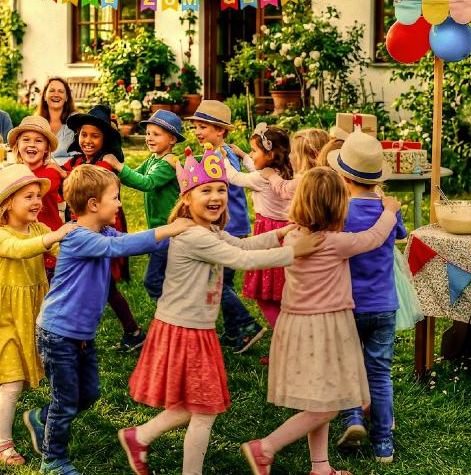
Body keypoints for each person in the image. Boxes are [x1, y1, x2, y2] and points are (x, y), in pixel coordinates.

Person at [117, 144, 322, 475]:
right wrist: (293, 252)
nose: (215, 197)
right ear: (186, 199)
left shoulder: (209, 230)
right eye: (205, 191)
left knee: (192, 406)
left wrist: (280, 234)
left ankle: (139, 436)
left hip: (195, 328)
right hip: (184, 330)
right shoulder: (194, 236)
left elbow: (240, 245)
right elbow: (242, 260)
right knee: (205, 409)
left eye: (221, 190)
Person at [22, 165, 194, 475]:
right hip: (57, 332)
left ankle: (40, 418)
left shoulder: (104, 231)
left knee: (88, 394)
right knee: (65, 401)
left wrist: (186, 235)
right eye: (115, 198)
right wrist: (168, 230)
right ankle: (53, 459)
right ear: (93, 205)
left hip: (82, 333)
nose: (119, 204)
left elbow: (130, 240)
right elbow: (118, 247)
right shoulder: (77, 236)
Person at [240, 167, 403, 475]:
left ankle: (321, 467)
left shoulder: (295, 236)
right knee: (328, 406)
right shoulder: (335, 242)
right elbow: (374, 238)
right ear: (337, 206)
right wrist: (390, 211)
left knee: (319, 399)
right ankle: (266, 448)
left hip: (295, 326)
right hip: (324, 329)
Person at [0, 163, 74, 465]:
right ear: (6, 205)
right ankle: (2, 443)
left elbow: (60, 251)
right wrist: (53, 237)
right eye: (28, 196)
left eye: (37, 196)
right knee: (13, 380)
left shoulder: (39, 229)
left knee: (15, 379)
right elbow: (22, 249)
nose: (36, 202)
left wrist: (76, 241)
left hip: (32, 310)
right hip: (3, 313)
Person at [327, 131, 408, 463]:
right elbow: (400, 234)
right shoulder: (389, 211)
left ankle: (353, 418)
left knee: (348, 366)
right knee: (379, 371)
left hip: (348, 304)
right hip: (384, 305)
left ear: (344, 176)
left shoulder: (339, 211)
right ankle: (383, 442)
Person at [183, 100, 266, 354]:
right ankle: (234, 332)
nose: (198, 132)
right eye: (196, 127)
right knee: (221, 278)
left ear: (220, 131)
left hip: (229, 226)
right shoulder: (220, 152)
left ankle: (246, 325)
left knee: (216, 281)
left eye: (203, 127)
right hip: (233, 224)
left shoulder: (219, 155)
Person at [63, 104, 144, 351]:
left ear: (104, 139)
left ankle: (90, 335)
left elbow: (84, 184)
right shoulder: (75, 161)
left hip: (100, 229)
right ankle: (130, 330)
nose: (87, 140)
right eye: (83, 135)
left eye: (94, 136)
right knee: (97, 284)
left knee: (101, 283)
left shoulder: (105, 167)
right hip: (81, 228)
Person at [224, 123, 294, 362]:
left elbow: (234, 178)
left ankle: (286, 345)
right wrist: (244, 155)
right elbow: (256, 167)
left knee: (266, 295)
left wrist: (222, 157)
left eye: (254, 150)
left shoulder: (260, 178)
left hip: (269, 235)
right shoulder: (284, 171)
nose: (252, 155)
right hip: (285, 233)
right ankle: (288, 341)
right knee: (281, 292)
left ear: (271, 154)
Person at [102, 109, 183, 301]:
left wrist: (119, 166)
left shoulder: (167, 164)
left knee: (153, 280)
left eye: (156, 134)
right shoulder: (153, 160)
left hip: (170, 231)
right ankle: (174, 309)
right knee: (166, 276)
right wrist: (112, 174)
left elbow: (147, 183)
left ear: (172, 140)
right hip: (158, 230)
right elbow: (134, 178)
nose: (149, 138)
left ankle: (170, 312)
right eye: (148, 134)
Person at [8, 115, 66, 278]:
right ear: (17, 145)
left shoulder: (50, 173)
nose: (31, 144)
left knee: (46, 295)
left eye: (38, 141)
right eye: (26, 139)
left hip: (47, 241)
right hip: (22, 241)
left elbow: (30, 192)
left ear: (47, 148)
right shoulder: (14, 171)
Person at [261, 127, 334, 203]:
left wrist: (271, 175)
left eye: (292, 152)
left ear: (307, 157)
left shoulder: (307, 181)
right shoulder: (331, 178)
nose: (289, 156)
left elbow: (284, 189)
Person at [36, 76, 78, 166]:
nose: (56, 94)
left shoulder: (76, 121)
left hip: (69, 171)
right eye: (52, 91)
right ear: (44, 96)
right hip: (41, 170)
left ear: (66, 97)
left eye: (61, 91)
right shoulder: (36, 122)